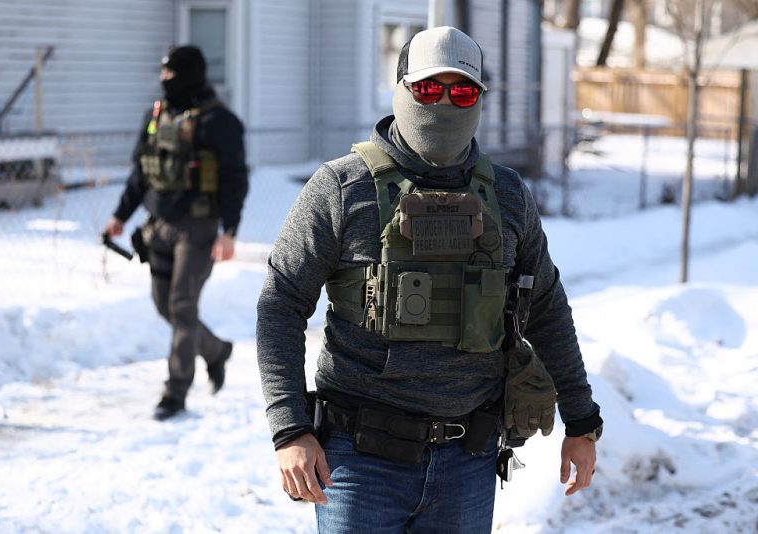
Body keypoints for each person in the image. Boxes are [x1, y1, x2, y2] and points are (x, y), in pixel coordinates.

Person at [256, 26, 602, 531]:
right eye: (427, 88)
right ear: (400, 89)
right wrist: (289, 429)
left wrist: (582, 420)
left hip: (468, 461)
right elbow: (281, 303)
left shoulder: (507, 195)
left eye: (461, 92)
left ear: (479, 99)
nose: (443, 102)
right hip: (358, 462)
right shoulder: (342, 187)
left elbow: (546, 307)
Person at [104, 45, 248, 421]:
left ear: (190, 75)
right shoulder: (156, 116)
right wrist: (120, 215)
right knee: (163, 304)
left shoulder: (219, 122)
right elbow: (141, 173)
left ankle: (175, 392)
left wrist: (230, 231)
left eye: (172, 74)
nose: (164, 80)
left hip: (198, 228)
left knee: (183, 306)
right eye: (163, 73)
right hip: (158, 226)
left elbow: (235, 179)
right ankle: (215, 350)